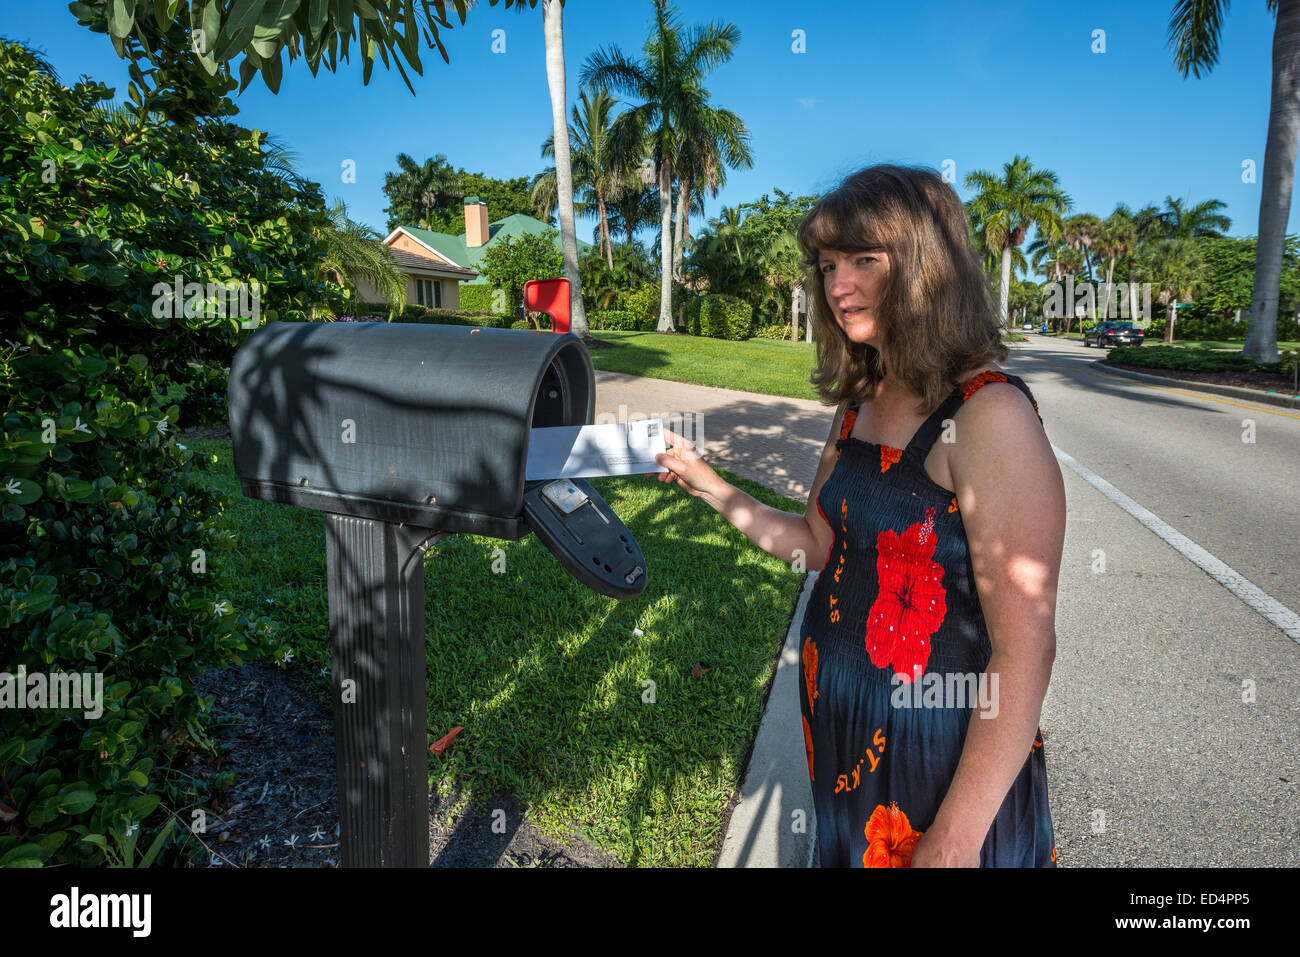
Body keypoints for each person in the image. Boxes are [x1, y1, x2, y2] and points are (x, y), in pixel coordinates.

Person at [648, 165, 1065, 867]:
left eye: (864, 259)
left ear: (927, 265)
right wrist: (710, 486)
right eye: (828, 265)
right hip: (844, 738)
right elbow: (815, 543)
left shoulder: (989, 414)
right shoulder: (861, 402)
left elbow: (1025, 651)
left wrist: (957, 837)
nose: (837, 285)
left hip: (938, 762)